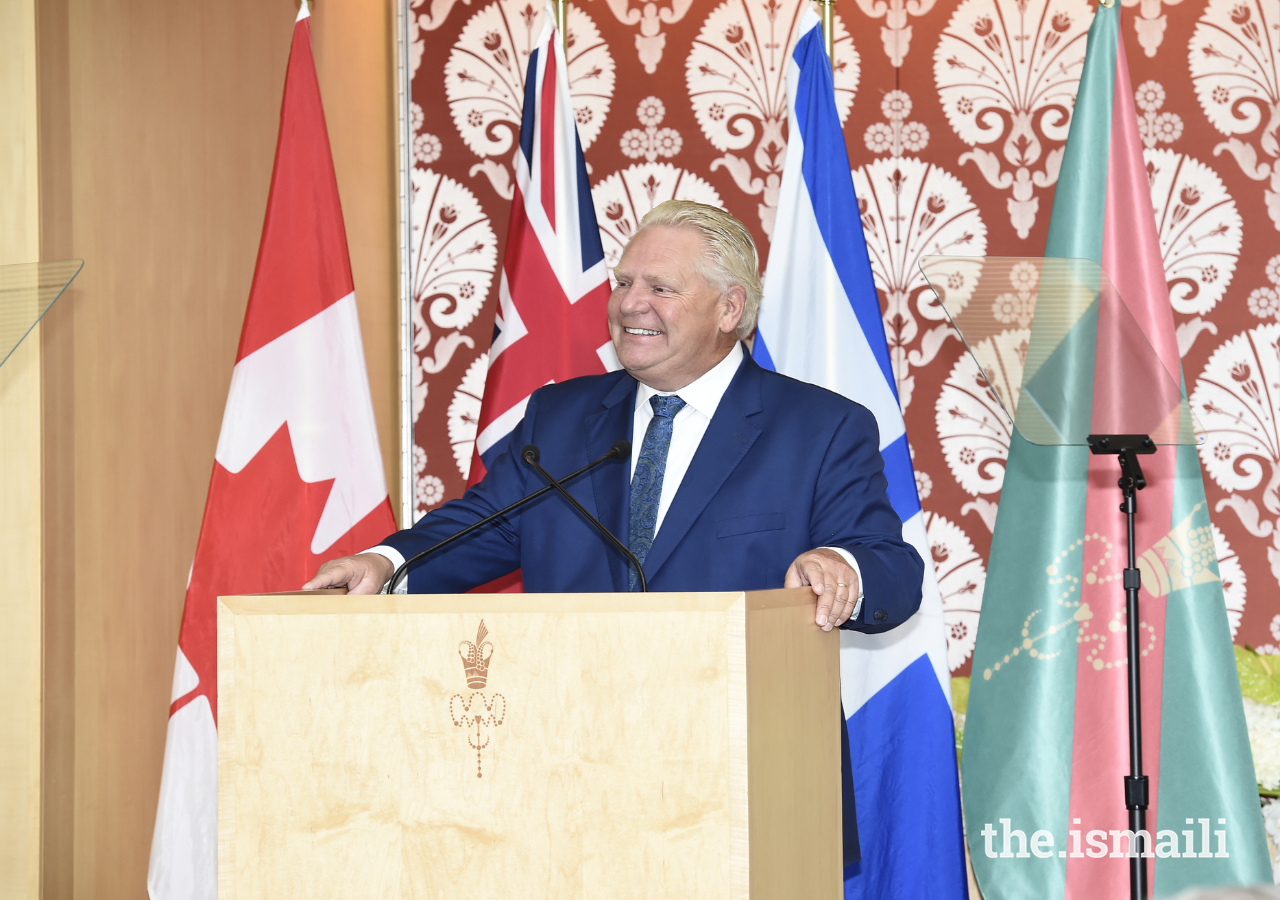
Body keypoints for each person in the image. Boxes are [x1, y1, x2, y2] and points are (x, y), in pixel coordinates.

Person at [307, 200, 922, 636]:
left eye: (661, 287)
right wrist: (386, 564)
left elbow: (893, 574)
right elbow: (481, 528)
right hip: (577, 757)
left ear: (730, 307)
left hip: (750, 752)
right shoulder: (559, 420)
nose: (630, 303)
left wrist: (847, 571)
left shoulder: (820, 429)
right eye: (624, 282)